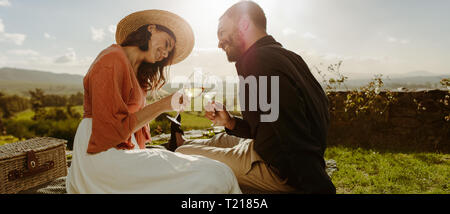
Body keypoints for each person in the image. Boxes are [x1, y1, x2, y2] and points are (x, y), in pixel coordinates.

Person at [65, 9, 241, 194]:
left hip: (121, 150)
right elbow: (112, 130)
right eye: (166, 43)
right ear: (151, 29)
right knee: (215, 176)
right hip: (101, 155)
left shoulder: (136, 72)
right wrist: (164, 104)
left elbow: (132, 127)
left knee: (217, 172)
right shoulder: (112, 59)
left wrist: (144, 155)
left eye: (169, 51)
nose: (165, 54)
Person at [173, 1, 336, 194]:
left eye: (222, 32)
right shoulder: (287, 56)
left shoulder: (260, 62)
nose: (219, 42)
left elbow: (293, 133)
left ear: (243, 24)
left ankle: (180, 147)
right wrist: (231, 122)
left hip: (279, 172)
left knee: (181, 155)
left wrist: (319, 187)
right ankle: (182, 142)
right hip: (271, 152)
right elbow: (271, 124)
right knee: (219, 139)